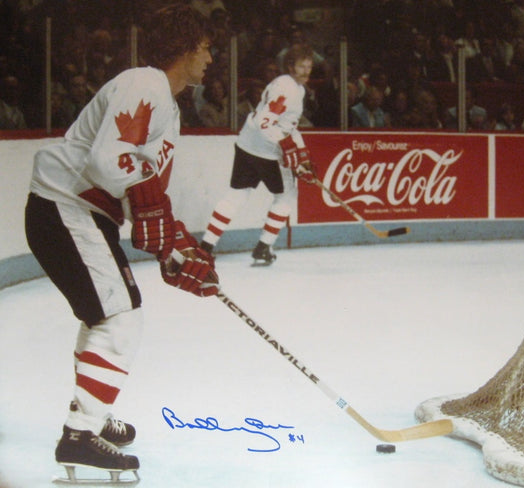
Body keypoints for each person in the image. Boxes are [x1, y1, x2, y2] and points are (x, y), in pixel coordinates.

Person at [24, 4, 218, 482]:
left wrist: (176, 249)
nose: (212, 58)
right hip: (64, 207)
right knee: (121, 319)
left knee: (106, 315)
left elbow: (142, 194)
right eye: (207, 48)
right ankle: (80, 433)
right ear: (186, 47)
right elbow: (108, 165)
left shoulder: (166, 106)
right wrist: (154, 217)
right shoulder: (144, 84)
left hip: (80, 213)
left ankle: (91, 409)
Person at [199, 43, 316, 265]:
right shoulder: (288, 89)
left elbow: (285, 125)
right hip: (267, 151)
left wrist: (300, 151)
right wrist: (286, 146)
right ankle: (263, 247)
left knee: (236, 195)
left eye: (309, 67)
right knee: (286, 197)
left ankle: (205, 247)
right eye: (302, 66)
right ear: (290, 66)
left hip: (246, 145)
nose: (306, 71)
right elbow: (265, 123)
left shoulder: (291, 87)